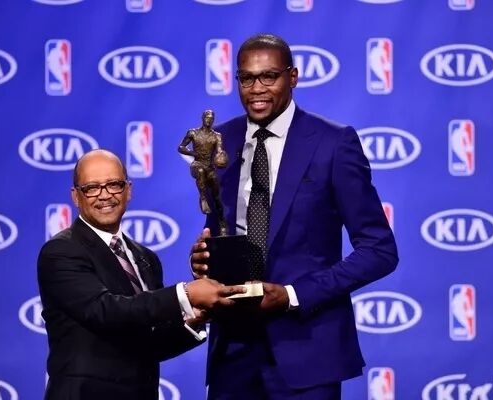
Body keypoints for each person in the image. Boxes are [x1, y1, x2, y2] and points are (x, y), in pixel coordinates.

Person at [190, 34, 399, 399]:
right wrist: (203, 261)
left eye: (269, 76)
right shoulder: (222, 141)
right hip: (232, 354)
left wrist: (292, 295)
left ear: (293, 76)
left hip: (307, 352)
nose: (256, 88)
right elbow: (220, 227)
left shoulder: (333, 143)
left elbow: (379, 250)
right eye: (246, 78)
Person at [38, 149, 245, 400]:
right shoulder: (61, 251)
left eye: (114, 184)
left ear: (128, 190)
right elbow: (106, 311)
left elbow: (148, 342)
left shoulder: (145, 258)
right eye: (92, 188)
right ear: (76, 196)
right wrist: (186, 294)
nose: (104, 195)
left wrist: (194, 318)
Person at [178, 110, 229, 235]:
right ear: (202, 118)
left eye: (211, 118)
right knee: (200, 171)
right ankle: (202, 198)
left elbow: (219, 149)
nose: (209, 120)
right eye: (207, 118)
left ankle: (222, 222)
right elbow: (181, 147)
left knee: (217, 197)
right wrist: (192, 153)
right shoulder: (193, 133)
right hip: (197, 164)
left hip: (210, 167)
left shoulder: (216, 136)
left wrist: (221, 156)